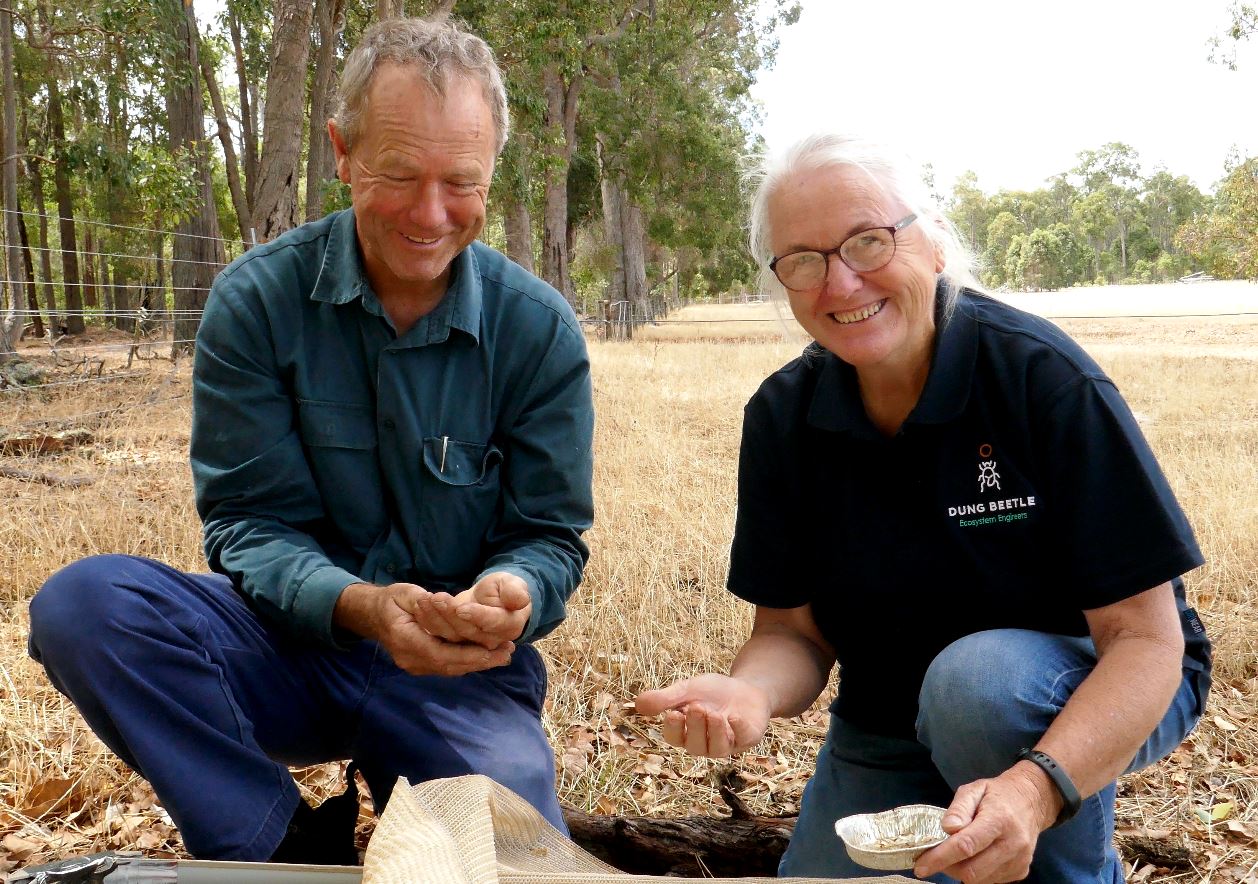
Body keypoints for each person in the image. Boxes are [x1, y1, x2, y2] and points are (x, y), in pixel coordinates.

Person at [27, 16, 594, 864]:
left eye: (461, 182)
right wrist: (361, 605)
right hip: (283, 648)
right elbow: (246, 525)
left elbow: (551, 535)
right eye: (398, 173)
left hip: (457, 678)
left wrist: (510, 589)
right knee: (85, 607)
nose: (430, 213)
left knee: (509, 856)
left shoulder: (539, 332)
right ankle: (282, 851)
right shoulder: (256, 303)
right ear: (341, 150)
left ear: (491, 172)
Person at [635, 133, 1211, 884]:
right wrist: (751, 692)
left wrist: (1033, 793)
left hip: (1086, 685)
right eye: (804, 260)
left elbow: (1145, 641)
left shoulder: (1043, 381)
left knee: (977, 689)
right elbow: (792, 635)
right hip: (887, 718)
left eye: (868, 242)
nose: (840, 284)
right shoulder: (783, 416)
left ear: (933, 242)